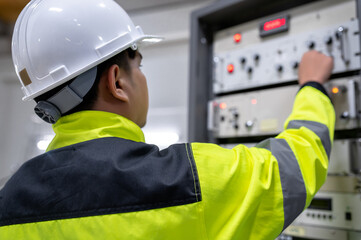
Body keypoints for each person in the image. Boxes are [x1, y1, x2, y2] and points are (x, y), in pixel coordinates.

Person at [0, 0, 334, 239]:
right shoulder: (187, 180)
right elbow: (292, 165)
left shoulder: (8, 201)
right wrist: (312, 86)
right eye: (139, 65)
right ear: (117, 82)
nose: (143, 78)